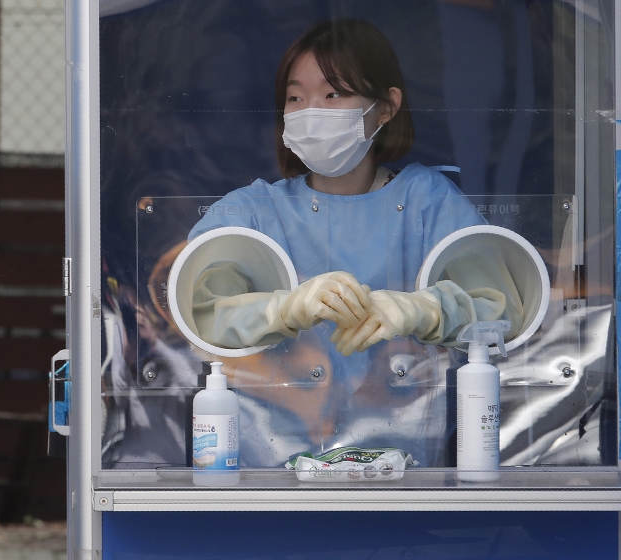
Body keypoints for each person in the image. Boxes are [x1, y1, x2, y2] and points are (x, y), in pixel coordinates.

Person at [184, 19, 524, 465]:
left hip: (407, 471)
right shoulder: (250, 211)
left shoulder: (428, 202)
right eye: (295, 97)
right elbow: (195, 312)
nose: (311, 110)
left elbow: (504, 311)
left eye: (333, 94)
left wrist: (423, 309)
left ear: (386, 107)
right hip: (267, 474)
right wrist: (281, 308)